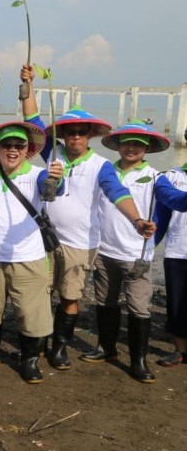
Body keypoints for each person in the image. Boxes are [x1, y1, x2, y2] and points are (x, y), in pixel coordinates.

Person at [21, 65, 154, 370]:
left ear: (90, 135)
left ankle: (60, 347)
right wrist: (28, 85)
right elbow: (33, 122)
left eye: (82, 132)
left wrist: (136, 221)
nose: (76, 137)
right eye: (71, 132)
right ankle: (38, 342)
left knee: (70, 297)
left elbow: (118, 193)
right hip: (44, 240)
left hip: (81, 243)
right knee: (40, 293)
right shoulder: (51, 154)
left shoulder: (101, 165)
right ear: (64, 135)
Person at [0, 120, 64, 383]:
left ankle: (29, 360)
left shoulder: (37, 175)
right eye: (6, 145)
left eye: (19, 145)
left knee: (32, 313)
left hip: (28, 258)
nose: (13, 150)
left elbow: (54, 188)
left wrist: (56, 178)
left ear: (27, 149)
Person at [80, 121, 167, 382]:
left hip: (136, 254)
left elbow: (172, 198)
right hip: (105, 250)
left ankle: (138, 361)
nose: (131, 148)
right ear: (117, 145)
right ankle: (106, 350)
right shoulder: (105, 171)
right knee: (105, 302)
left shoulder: (156, 176)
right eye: (126, 143)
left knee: (139, 308)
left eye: (138, 144)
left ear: (147, 148)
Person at [153, 158, 187, 368]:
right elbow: (161, 217)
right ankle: (180, 350)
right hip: (178, 250)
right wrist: (150, 248)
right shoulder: (171, 177)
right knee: (175, 303)